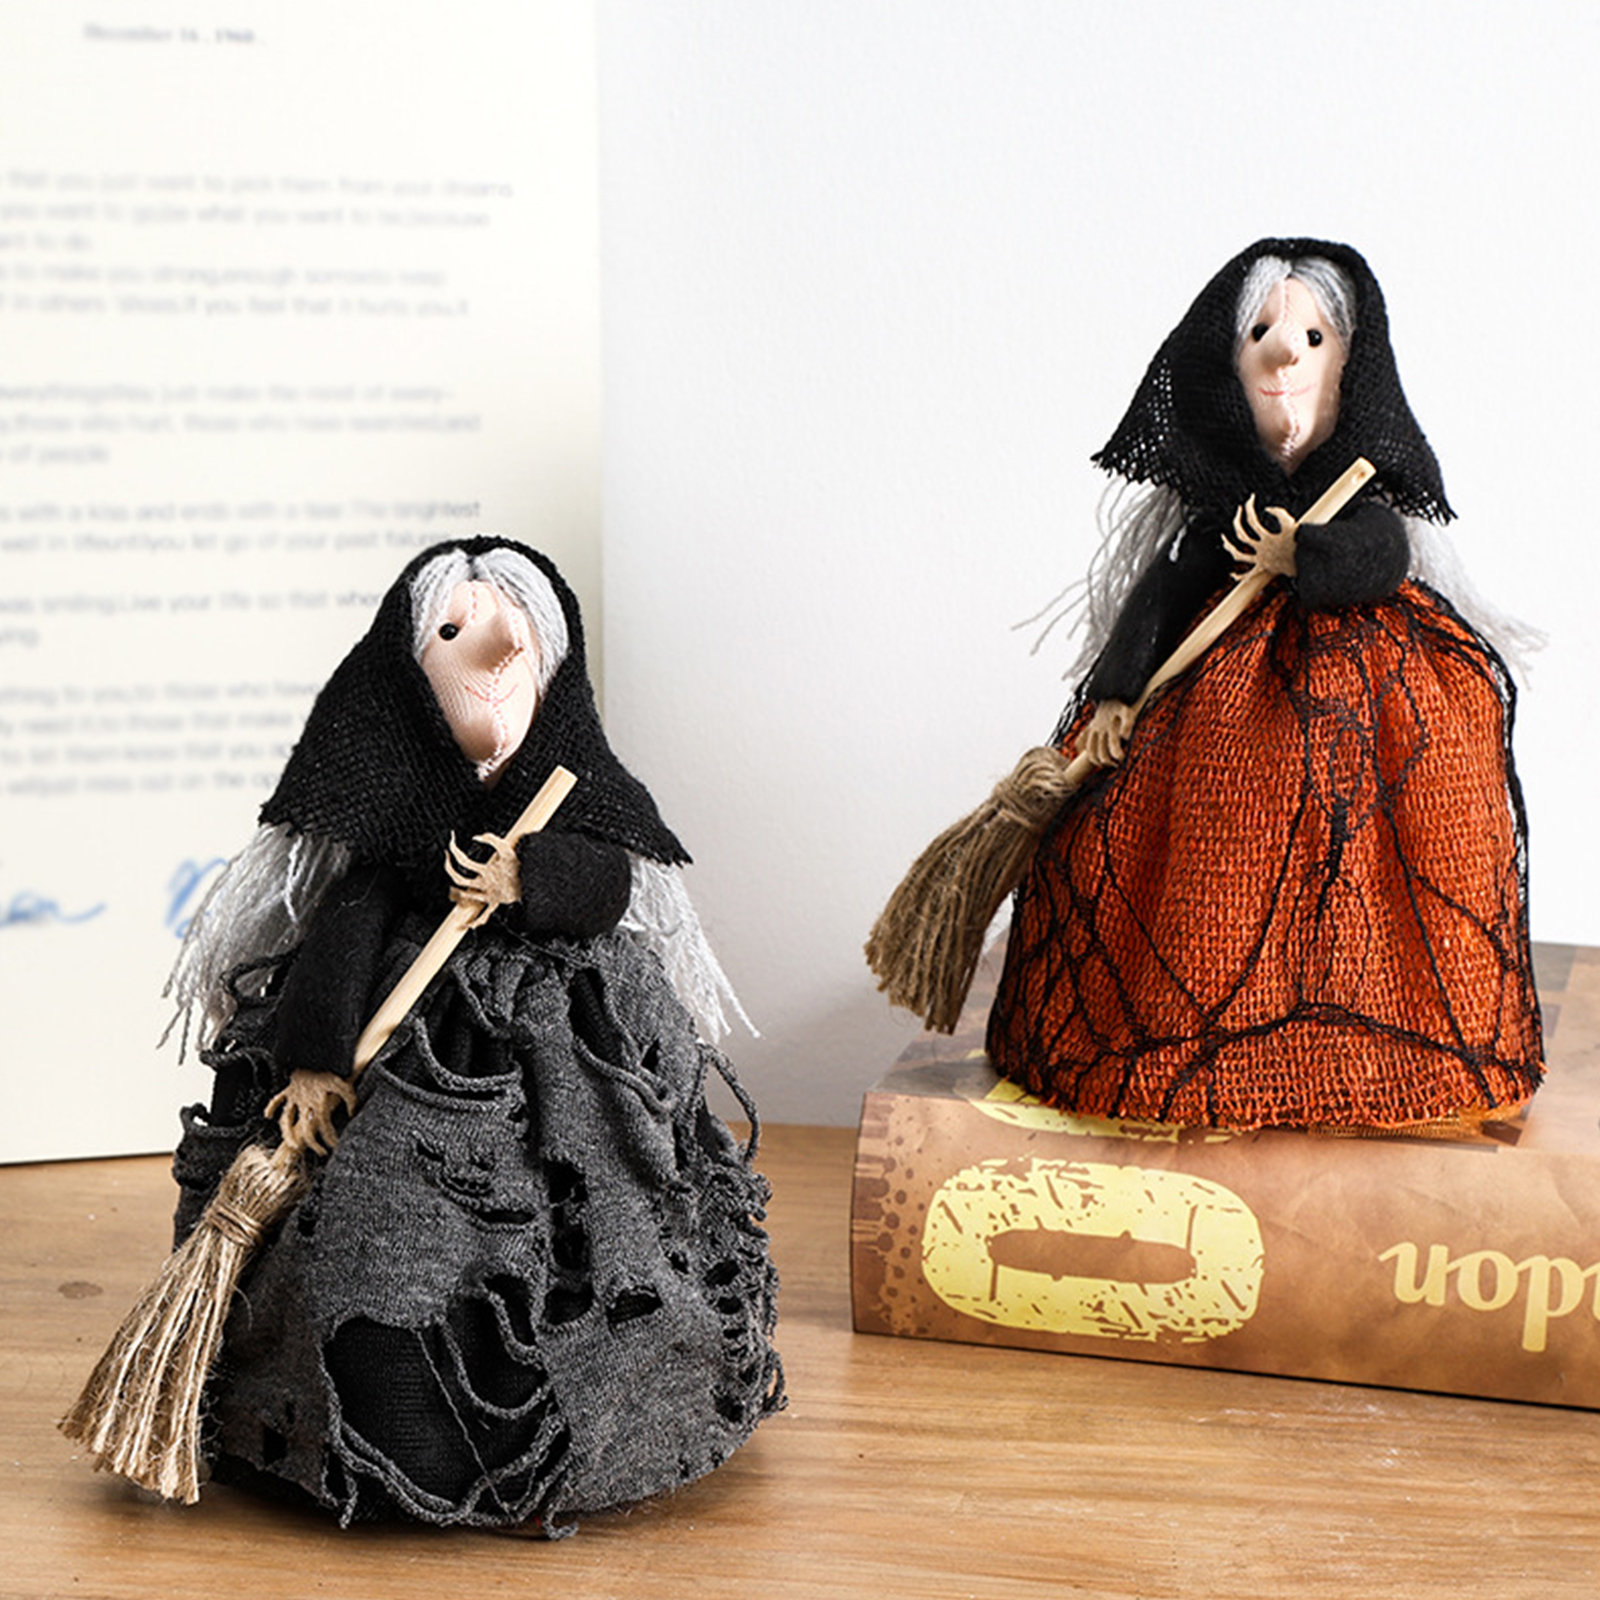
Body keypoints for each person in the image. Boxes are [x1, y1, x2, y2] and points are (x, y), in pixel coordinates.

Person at [167, 536, 781, 1530]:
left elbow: (604, 882)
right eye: (453, 634)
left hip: (564, 1039)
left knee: (600, 1187)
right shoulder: (396, 825)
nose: (496, 659)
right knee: (384, 1222)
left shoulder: (580, 796)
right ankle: (381, 1425)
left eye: (516, 637)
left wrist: (528, 878)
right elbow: (344, 933)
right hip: (409, 1063)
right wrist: (315, 1064)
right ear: (409, 679)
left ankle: (589, 1410)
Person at [986, 238, 1543, 1132]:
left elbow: (1382, 555)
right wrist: (1118, 694)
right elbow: (1164, 590)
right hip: (1216, 717)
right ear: (1225, 369)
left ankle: (1375, 1042)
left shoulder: (1361, 499)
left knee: (1387, 847)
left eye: (1314, 340)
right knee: (1217, 849)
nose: (1286, 355)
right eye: (1261, 336)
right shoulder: (1219, 518)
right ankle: (1197, 1033)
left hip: (1364, 699)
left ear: (1351, 368)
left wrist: (1304, 555)